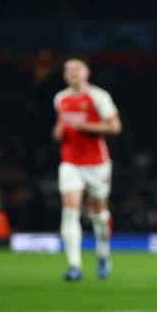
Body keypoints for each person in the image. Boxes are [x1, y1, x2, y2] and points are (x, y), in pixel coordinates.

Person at [52, 57, 122, 281]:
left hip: (97, 164)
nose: (72, 72)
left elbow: (115, 126)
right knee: (70, 212)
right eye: (68, 69)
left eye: (77, 69)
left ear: (86, 73)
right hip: (70, 162)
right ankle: (74, 266)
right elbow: (61, 125)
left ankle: (103, 253)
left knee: (99, 215)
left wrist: (86, 126)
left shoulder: (99, 96)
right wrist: (58, 132)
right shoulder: (60, 98)